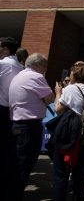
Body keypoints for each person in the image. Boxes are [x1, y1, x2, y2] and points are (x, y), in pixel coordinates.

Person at [8, 53, 55, 201]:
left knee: (16, 163)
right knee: (24, 165)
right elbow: (50, 98)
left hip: (17, 124)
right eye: (45, 66)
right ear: (37, 64)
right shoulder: (36, 77)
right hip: (29, 126)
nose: (45, 69)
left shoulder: (19, 75)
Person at [53, 61, 84, 201]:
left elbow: (58, 110)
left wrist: (58, 93)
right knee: (80, 173)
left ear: (75, 74)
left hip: (68, 131)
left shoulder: (70, 89)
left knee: (61, 172)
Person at [0, 36, 24, 198]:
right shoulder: (20, 67)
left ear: (6, 49)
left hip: (1, 109)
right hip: (12, 112)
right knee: (7, 151)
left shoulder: (3, 64)